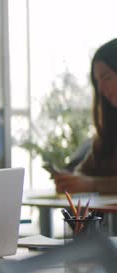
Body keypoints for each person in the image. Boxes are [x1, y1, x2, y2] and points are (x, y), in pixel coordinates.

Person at [54, 38, 117, 194]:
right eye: (97, 81)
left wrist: (93, 185)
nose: (101, 88)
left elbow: (89, 182)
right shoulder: (108, 132)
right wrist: (70, 181)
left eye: (107, 77)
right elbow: (82, 172)